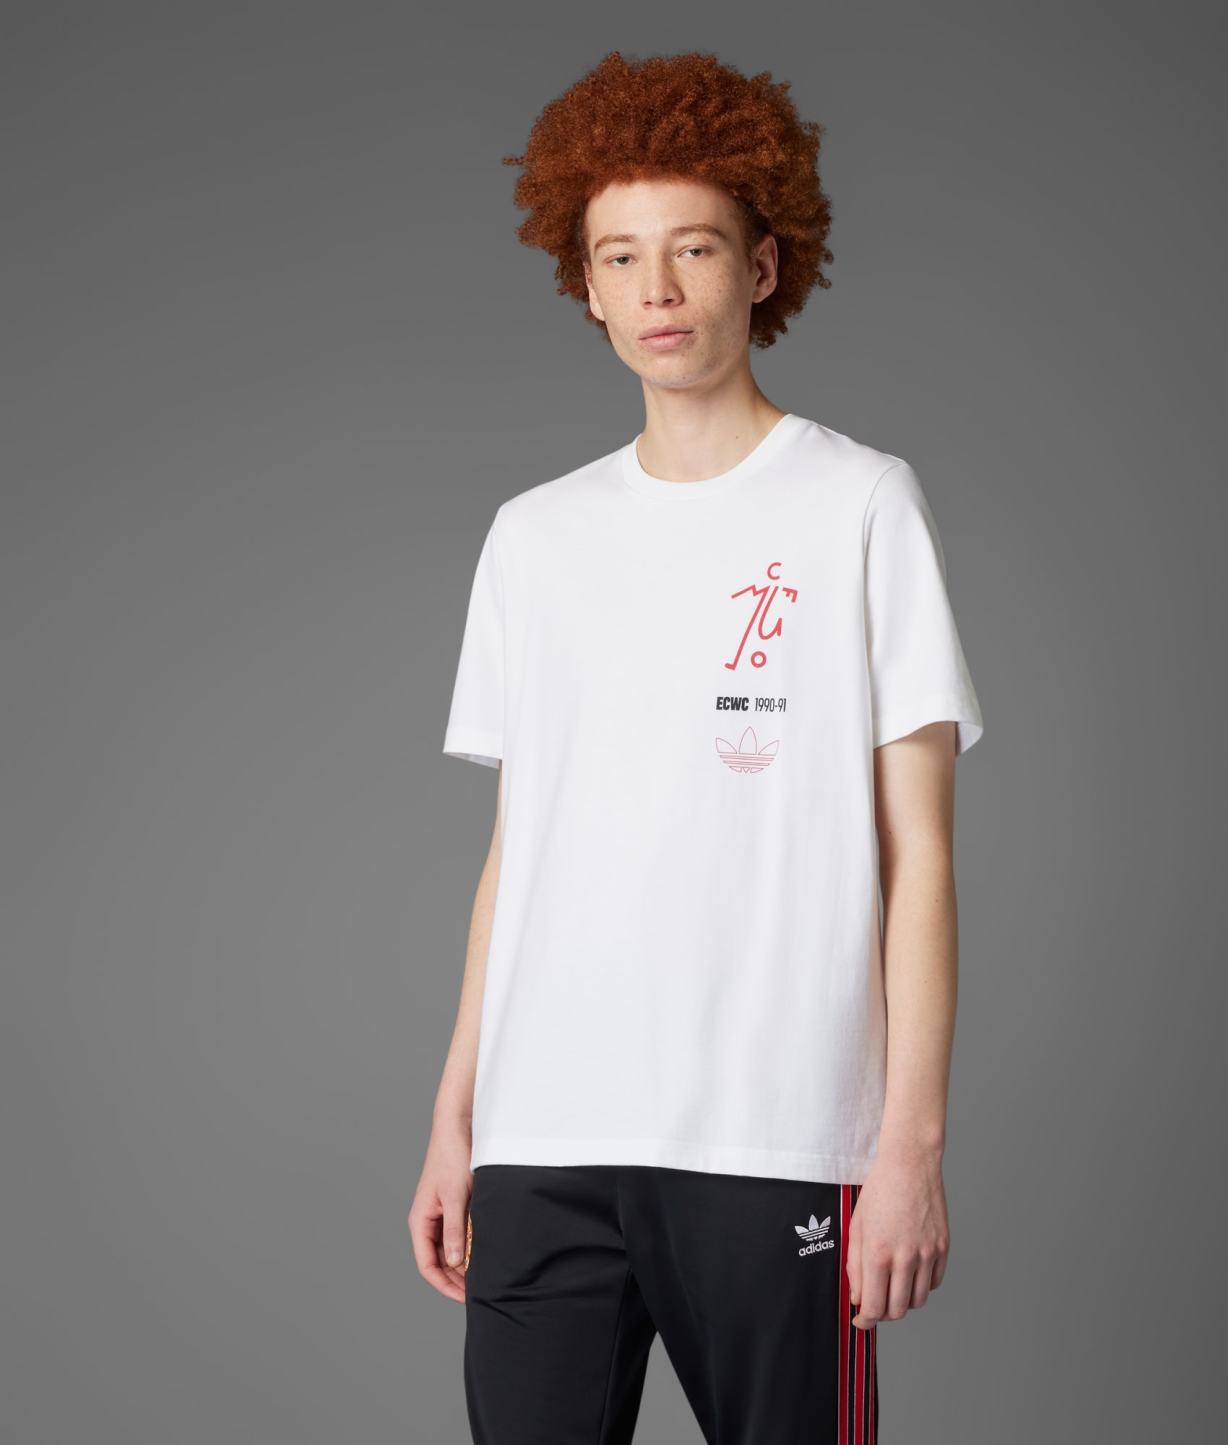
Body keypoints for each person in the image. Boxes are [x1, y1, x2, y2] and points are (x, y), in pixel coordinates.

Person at [408, 49, 984, 1444]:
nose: (657, 288)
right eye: (620, 257)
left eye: (695, 248)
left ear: (762, 266)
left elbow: (916, 854)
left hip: (773, 1136)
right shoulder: (535, 536)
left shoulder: (860, 505)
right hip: (545, 1143)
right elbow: (519, 853)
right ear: (588, 287)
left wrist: (908, 1147)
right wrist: (456, 1116)